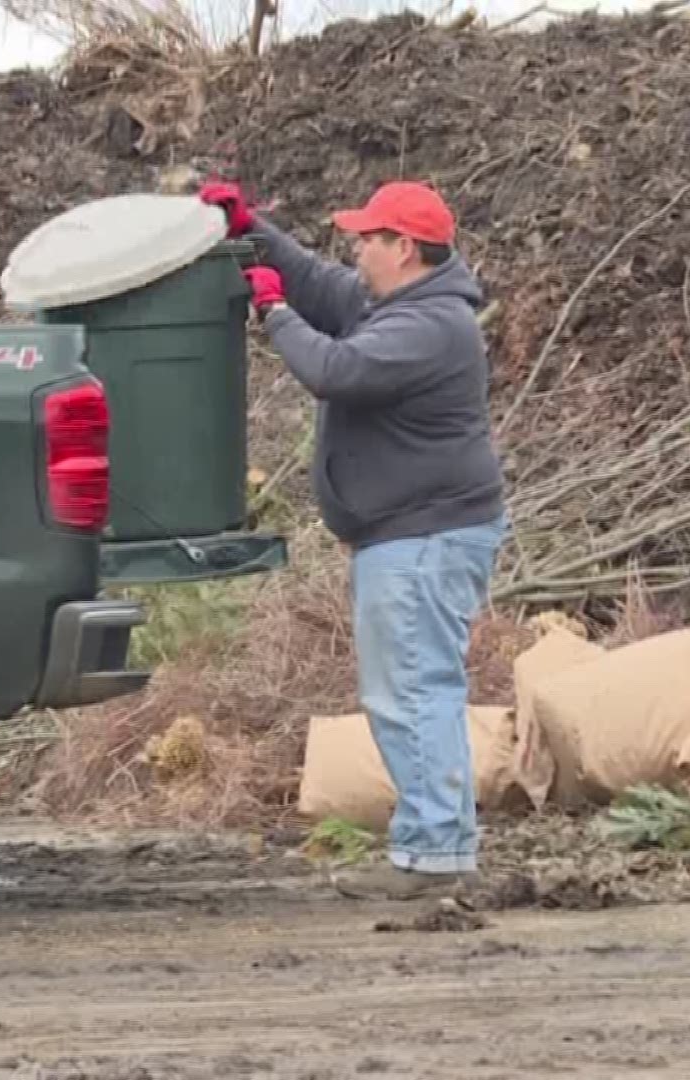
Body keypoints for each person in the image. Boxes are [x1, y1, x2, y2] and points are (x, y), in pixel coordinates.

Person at [200, 178, 509, 901]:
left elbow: (333, 369)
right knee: (407, 687)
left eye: (369, 237)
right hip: (411, 534)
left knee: (414, 690)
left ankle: (436, 851)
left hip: (425, 538)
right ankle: (437, 844)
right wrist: (253, 232)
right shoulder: (396, 300)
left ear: (404, 248)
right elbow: (317, 281)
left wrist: (271, 310)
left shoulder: (430, 327)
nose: (356, 246)